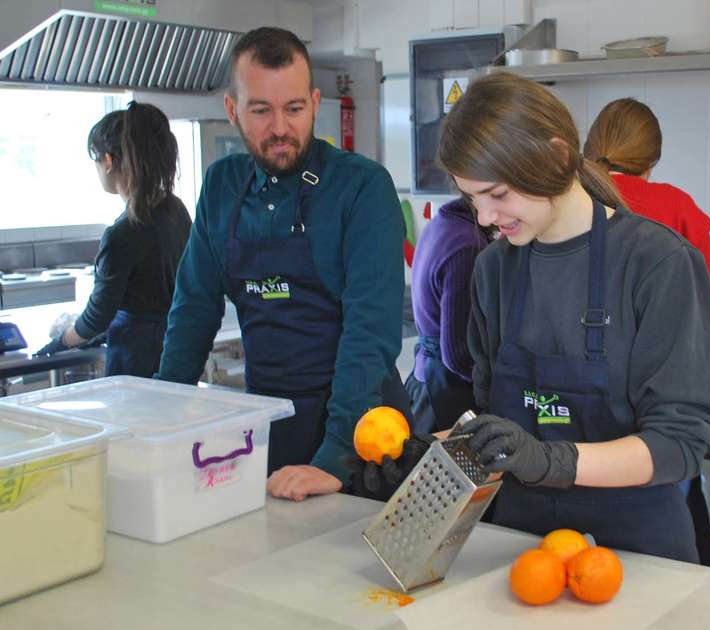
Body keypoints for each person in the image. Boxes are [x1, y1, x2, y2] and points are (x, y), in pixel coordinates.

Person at [355, 73, 710, 563]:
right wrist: (421, 458)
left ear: (556, 157)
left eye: (496, 194)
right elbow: (495, 429)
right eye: (473, 200)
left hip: (636, 553)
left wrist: (552, 460)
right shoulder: (494, 268)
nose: (485, 218)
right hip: (519, 547)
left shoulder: (657, 263)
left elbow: (680, 443)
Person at [157, 27, 411, 501]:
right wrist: (160, 415)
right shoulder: (221, 186)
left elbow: (370, 332)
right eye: (261, 110)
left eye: (294, 109)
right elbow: (192, 311)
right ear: (233, 110)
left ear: (315, 102)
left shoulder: (361, 188)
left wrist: (338, 455)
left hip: (362, 431)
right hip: (268, 425)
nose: (280, 127)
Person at [584, 98, 710, 565]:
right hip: (654, 415)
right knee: (654, 560)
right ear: (652, 159)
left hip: (575, 413)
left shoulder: (572, 199)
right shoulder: (675, 206)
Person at [36, 102, 192, 377]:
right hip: (176, 346)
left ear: (108, 161)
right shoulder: (175, 210)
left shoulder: (122, 233)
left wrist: (60, 343)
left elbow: (98, 315)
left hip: (136, 358)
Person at [583, 97, 710, 323]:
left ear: (589, 149)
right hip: (658, 355)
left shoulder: (567, 201)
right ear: (651, 161)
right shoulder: (676, 207)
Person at [405, 197, 492, 433]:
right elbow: (458, 354)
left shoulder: (442, 222)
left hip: (422, 379)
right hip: (444, 389)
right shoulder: (469, 244)